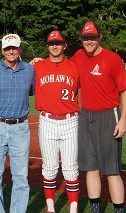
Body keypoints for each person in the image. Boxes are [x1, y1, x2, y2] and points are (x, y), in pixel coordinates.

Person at [70, 21, 126, 213]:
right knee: (91, 167)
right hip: (86, 116)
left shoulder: (112, 59)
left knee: (111, 170)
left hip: (108, 116)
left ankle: (119, 209)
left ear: (99, 38)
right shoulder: (78, 56)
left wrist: (123, 120)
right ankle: (95, 208)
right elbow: (61, 65)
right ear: (81, 40)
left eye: (92, 37)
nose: (89, 41)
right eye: (85, 38)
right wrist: (39, 60)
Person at [33, 30, 80, 213]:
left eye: (58, 43)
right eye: (52, 43)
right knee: (49, 168)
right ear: (47, 46)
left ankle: (73, 209)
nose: (55, 46)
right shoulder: (37, 66)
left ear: (65, 45)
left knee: (70, 168)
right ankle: (51, 208)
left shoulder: (75, 66)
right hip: (47, 121)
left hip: (70, 122)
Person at [0, 33, 35, 213]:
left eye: (14, 48)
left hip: (20, 128)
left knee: (21, 176)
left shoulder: (30, 70)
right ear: (2, 50)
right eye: (8, 48)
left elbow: (33, 91)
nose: (11, 51)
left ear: (20, 49)